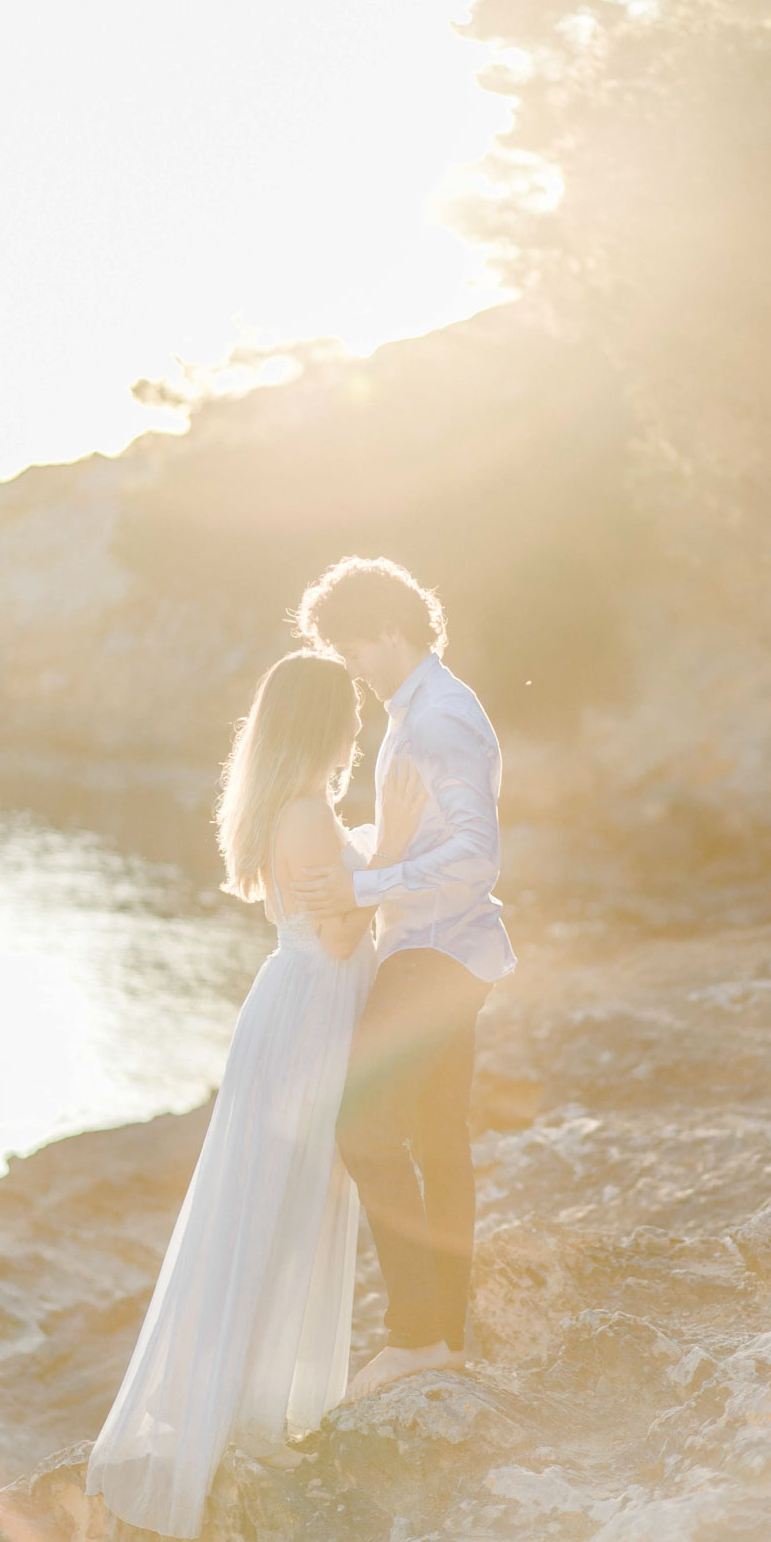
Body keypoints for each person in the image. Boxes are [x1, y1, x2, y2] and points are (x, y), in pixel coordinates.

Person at [84, 650, 425, 1537]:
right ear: (326, 726)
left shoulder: (297, 807)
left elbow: (342, 921)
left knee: (281, 1208)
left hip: (301, 1008)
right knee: (279, 1209)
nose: (358, 729)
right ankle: (239, 1411)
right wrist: (392, 843)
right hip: (311, 1011)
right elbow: (345, 938)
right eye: (349, 716)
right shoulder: (310, 815)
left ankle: (252, 1402)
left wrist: (378, 858)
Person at [294, 557, 516, 1400]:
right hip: (447, 947)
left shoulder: (438, 719)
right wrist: (365, 854)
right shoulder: (419, 710)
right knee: (435, 1139)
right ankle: (446, 1340)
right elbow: (420, 831)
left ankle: (415, 1334)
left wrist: (364, 886)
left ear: (388, 628)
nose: (346, 662)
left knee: (361, 1128)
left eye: (348, 644)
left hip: (436, 948)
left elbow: (475, 852)